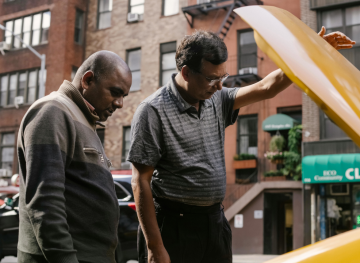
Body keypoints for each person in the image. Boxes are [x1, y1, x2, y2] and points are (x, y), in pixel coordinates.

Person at [127, 28, 355, 263]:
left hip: (214, 222)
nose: (218, 86)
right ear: (185, 72)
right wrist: (154, 246)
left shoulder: (216, 98)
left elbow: (267, 86)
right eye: (211, 79)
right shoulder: (152, 111)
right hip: (173, 227)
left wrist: (311, 52)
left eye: (222, 78)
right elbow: (140, 181)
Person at [17, 51, 131, 263]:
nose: (120, 103)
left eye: (124, 96)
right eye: (115, 92)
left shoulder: (85, 120)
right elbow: (45, 204)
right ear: (87, 80)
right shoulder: (52, 111)